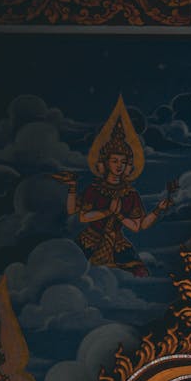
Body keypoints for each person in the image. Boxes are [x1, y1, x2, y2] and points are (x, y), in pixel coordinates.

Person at [72, 116, 171, 276]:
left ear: (128, 166)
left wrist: (158, 210)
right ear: (105, 163)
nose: (119, 165)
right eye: (115, 161)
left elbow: (138, 226)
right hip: (90, 241)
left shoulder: (130, 194)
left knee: (140, 273)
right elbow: (83, 217)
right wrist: (107, 212)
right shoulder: (95, 189)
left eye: (123, 162)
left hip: (117, 243)